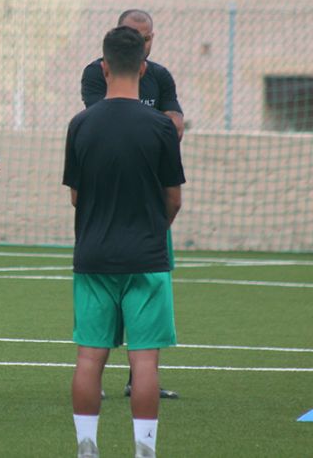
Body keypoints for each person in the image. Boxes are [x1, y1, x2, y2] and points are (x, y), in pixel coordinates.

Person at [64, 26, 184, 458]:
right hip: (147, 257)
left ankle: (86, 447)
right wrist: (154, 227)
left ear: (104, 66)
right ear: (144, 67)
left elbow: (76, 196)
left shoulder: (80, 124)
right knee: (145, 360)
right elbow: (174, 198)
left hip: (94, 255)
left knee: (90, 357)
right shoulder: (161, 128)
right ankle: (144, 450)